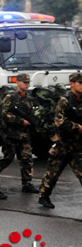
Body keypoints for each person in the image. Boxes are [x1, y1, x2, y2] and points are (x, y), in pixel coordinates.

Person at [39, 72, 82, 209]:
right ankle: (43, 197)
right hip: (63, 144)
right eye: (80, 83)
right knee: (52, 173)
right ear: (72, 84)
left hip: (78, 146)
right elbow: (59, 121)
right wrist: (77, 127)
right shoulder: (65, 101)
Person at [0, 73, 39, 193]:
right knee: (7, 159)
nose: (27, 85)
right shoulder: (10, 97)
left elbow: (31, 114)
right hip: (11, 135)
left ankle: (27, 184)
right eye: (24, 82)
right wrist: (21, 121)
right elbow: (5, 114)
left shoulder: (28, 98)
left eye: (28, 83)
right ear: (18, 83)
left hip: (24, 135)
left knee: (27, 159)